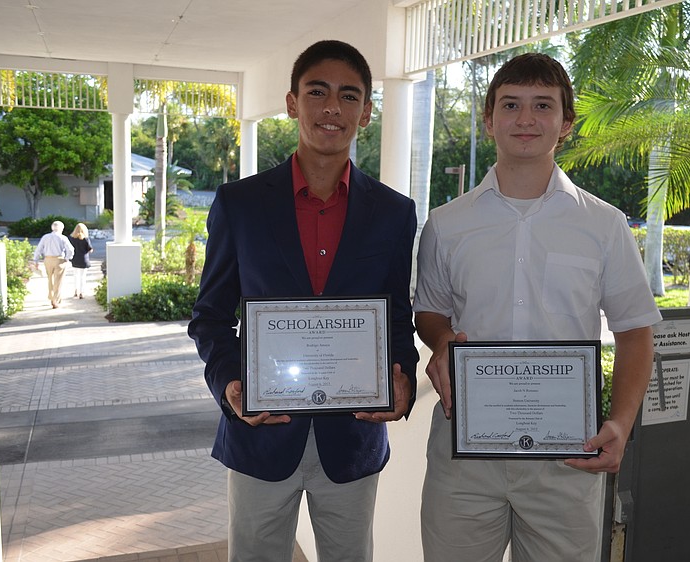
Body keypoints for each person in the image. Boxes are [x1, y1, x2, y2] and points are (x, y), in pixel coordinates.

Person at [413, 52, 662, 561]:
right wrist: (441, 341)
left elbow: (636, 330)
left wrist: (620, 422)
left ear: (566, 123)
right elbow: (430, 312)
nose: (526, 119)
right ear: (489, 120)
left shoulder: (605, 225)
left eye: (542, 105)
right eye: (511, 105)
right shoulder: (446, 224)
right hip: (464, 450)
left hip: (567, 455)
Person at [188, 40, 419, 562]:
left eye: (348, 95)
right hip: (260, 435)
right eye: (318, 92)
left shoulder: (393, 213)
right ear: (293, 102)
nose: (332, 107)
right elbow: (210, 317)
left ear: (366, 111)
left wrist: (402, 374)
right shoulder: (239, 205)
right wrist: (230, 384)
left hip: (354, 440)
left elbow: (396, 319)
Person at [33, 220, 75, 309]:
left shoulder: (45, 237)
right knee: (58, 280)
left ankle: (51, 296)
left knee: (50, 279)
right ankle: (55, 300)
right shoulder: (63, 238)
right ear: (61, 229)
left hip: (48, 259)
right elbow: (70, 249)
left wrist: (36, 261)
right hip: (59, 259)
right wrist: (67, 258)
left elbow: (39, 249)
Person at [68, 222, 94, 299]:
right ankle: (82, 292)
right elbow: (90, 249)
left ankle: (76, 291)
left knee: (75, 276)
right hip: (84, 260)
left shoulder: (71, 238)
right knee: (83, 277)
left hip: (74, 259)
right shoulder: (85, 239)